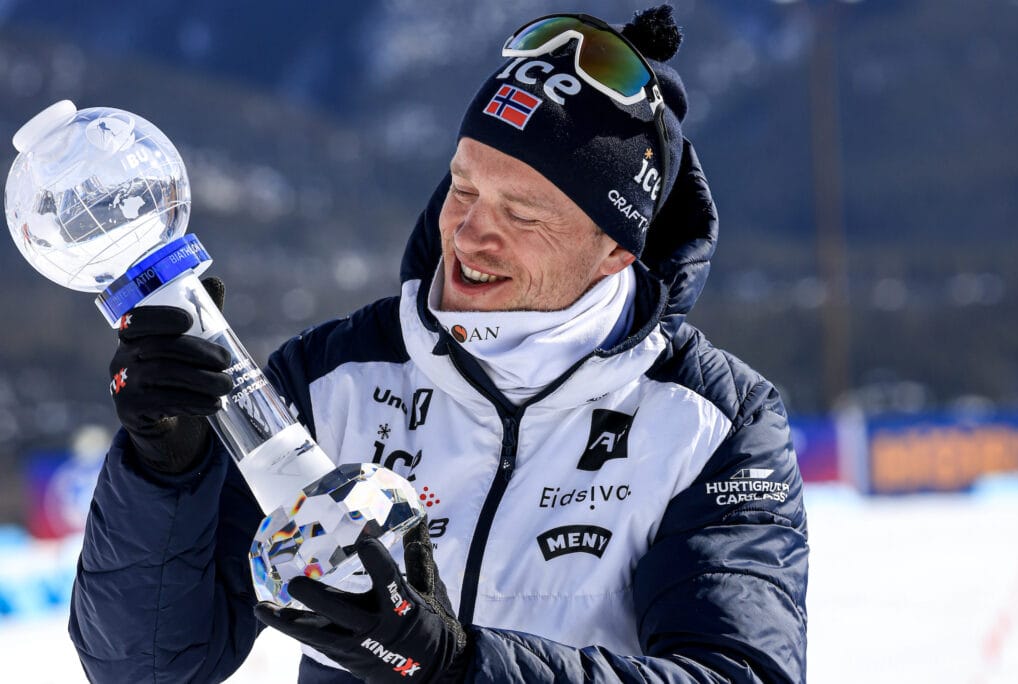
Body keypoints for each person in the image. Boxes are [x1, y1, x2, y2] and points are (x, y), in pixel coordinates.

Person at [69, 6, 808, 683]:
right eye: (463, 189)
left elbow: (740, 673)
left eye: (522, 214)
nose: (471, 233)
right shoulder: (332, 378)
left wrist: (456, 664)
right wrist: (164, 469)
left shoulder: (712, 422)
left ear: (616, 250)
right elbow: (148, 667)